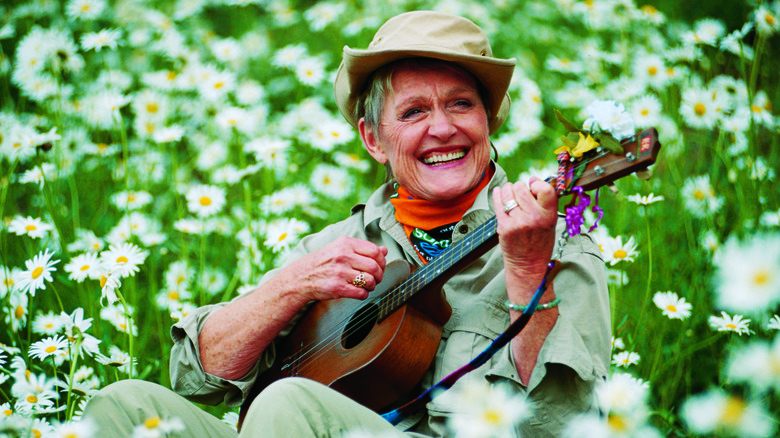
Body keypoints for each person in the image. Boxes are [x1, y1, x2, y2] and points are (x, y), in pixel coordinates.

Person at [83, 10, 610, 437]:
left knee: (290, 405)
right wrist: (291, 285)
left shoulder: (555, 244)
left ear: (489, 121)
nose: (444, 128)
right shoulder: (336, 246)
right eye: (413, 113)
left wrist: (525, 270)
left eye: (461, 104)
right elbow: (198, 379)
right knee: (123, 404)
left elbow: (561, 426)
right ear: (372, 139)